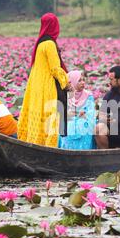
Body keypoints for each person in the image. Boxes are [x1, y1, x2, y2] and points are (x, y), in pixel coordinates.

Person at [17, 13, 70, 148]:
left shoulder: (40, 43)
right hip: (48, 85)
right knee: (53, 115)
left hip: (36, 85)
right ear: (55, 26)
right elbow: (54, 68)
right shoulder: (50, 44)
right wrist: (66, 82)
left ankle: (36, 143)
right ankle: (51, 146)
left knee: (41, 113)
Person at [59, 71, 96, 150]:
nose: (83, 83)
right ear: (72, 82)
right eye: (79, 80)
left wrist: (82, 115)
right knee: (68, 125)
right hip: (70, 120)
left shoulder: (88, 95)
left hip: (85, 121)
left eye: (83, 80)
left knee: (82, 125)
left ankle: (84, 153)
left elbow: (91, 112)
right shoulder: (66, 95)